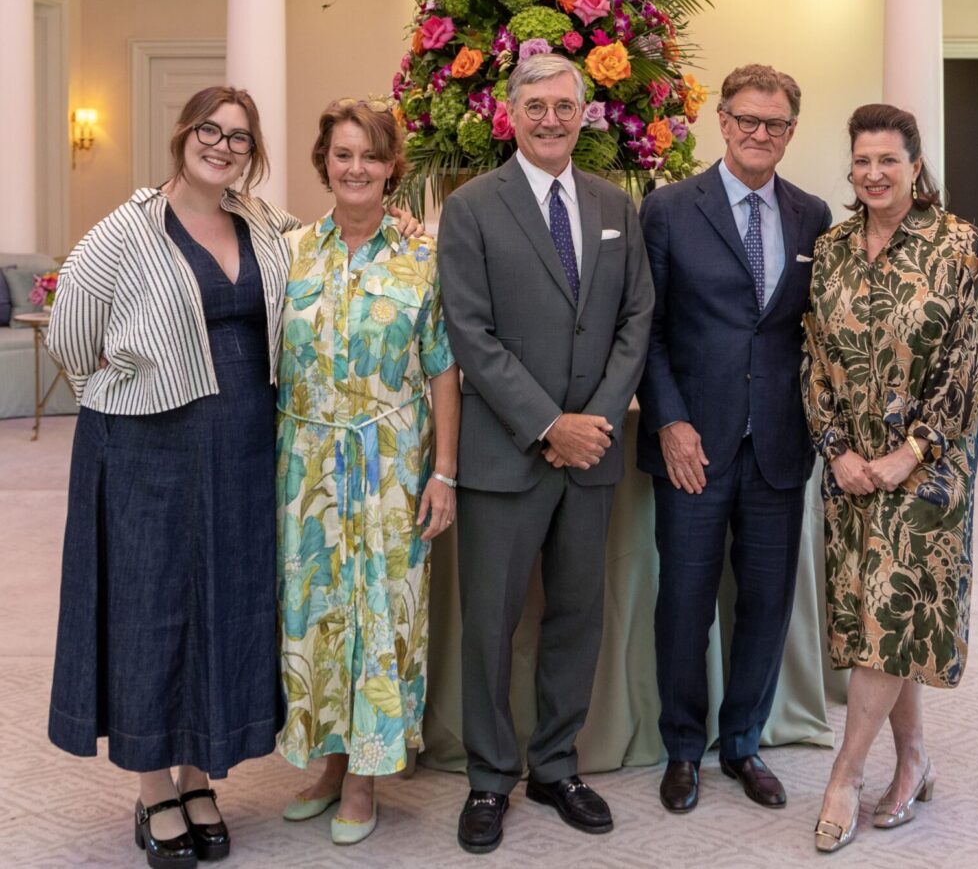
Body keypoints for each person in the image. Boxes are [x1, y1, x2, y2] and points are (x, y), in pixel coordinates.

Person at [47, 86, 299, 868]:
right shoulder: (122, 231)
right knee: (150, 610)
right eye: (210, 131)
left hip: (245, 451)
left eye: (239, 138)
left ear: (252, 154)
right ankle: (155, 785)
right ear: (183, 133)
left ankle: (200, 775)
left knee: (227, 603)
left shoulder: (261, 220)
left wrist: (388, 218)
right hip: (146, 451)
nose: (222, 146)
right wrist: (125, 388)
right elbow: (68, 335)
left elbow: (324, 253)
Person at [438, 54, 654, 854]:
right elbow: (471, 332)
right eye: (537, 106)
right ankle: (490, 777)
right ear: (511, 113)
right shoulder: (470, 208)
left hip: (591, 451)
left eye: (565, 106)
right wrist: (547, 423)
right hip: (507, 454)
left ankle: (556, 765)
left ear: (584, 114)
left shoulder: (613, 205)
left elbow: (637, 317)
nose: (552, 119)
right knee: (490, 622)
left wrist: (592, 419)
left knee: (574, 615)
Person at [803, 103, 978, 853]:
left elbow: (971, 361)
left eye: (889, 159)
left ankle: (845, 774)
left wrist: (909, 452)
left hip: (928, 474)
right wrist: (836, 448)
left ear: (916, 166)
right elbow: (813, 356)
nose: (874, 173)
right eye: (862, 161)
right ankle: (914, 757)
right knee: (881, 621)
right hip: (851, 469)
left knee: (893, 603)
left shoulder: (959, 246)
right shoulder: (832, 248)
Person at [636, 64, 832, 816]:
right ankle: (683, 748)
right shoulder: (669, 209)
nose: (760, 133)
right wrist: (671, 420)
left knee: (767, 602)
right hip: (693, 443)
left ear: (790, 130)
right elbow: (646, 331)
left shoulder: (813, 216)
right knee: (684, 602)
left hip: (779, 446)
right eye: (747, 120)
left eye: (775, 123)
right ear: (721, 121)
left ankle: (743, 742)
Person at [275, 99, 460, 846]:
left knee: (382, 617)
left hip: (389, 468)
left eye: (370, 156)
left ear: (392, 168)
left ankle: (365, 776)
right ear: (325, 161)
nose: (355, 168)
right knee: (315, 615)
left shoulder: (423, 255)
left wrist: (443, 470)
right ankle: (325, 761)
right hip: (305, 465)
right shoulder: (289, 252)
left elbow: (443, 368)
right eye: (342, 154)